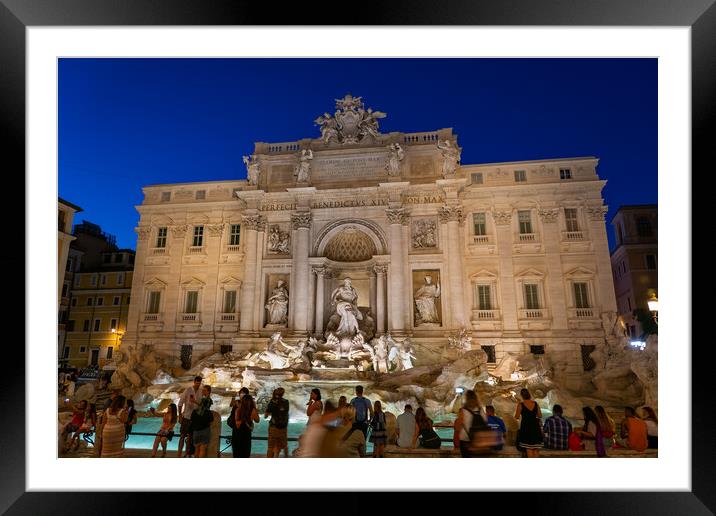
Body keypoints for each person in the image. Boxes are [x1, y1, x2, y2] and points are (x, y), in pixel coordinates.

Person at [454, 389, 487, 457]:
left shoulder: (463, 411)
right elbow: (485, 422)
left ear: (466, 399)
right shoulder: (481, 410)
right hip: (478, 440)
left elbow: (457, 427)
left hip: (465, 440)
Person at [177, 376, 202, 458]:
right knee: (182, 436)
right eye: (197, 383)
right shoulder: (188, 390)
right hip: (186, 416)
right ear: (194, 382)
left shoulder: (201, 391)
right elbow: (180, 403)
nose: (198, 385)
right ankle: (179, 454)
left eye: (199, 383)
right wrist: (180, 415)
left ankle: (186, 454)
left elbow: (200, 405)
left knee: (190, 437)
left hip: (195, 418)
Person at [514, 388, 543, 457]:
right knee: (536, 449)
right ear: (529, 395)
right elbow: (540, 415)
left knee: (529, 448)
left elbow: (517, 417)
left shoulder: (521, 404)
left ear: (522, 396)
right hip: (535, 427)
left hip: (526, 427)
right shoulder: (535, 404)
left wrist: (518, 404)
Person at [265, 387, 290, 458]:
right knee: (284, 446)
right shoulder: (286, 402)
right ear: (283, 394)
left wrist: (270, 412)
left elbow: (265, 416)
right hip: (283, 428)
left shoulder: (272, 402)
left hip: (273, 427)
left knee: (270, 447)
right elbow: (285, 412)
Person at [190, 385, 214, 458]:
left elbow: (202, 407)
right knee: (202, 448)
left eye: (204, 390)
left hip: (198, 427)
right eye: (202, 390)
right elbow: (204, 407)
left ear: (209, 392)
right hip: (203, 427)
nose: (203, 391)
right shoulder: (207, 400)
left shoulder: (205, 400)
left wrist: (194, 402)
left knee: (197, 448)